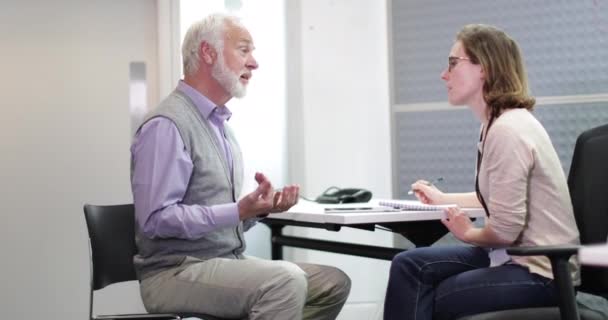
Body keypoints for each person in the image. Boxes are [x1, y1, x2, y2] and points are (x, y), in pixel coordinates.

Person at [130, 13, 350, 320]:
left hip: (224, 261)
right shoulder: (167, 125)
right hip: (173, 272)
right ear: (208, 53)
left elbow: (215, 220)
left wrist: (257, 210)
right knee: (285, 282)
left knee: (332, 284)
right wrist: (237, 211)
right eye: (244, 50)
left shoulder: (222, 127)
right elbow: (156, 219)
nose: (254, 63)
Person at [383, 24, 580, 320]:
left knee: (433, 294)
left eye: (453, 63)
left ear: (484, 68)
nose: (443, 74)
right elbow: (497, 199)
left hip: (541, 272)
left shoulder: (508, 131)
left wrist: (468, 233)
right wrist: (443, 198)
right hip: (512, 257)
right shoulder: (495, 124)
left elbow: (504, 229)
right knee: (409, 265)